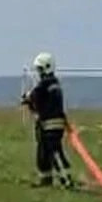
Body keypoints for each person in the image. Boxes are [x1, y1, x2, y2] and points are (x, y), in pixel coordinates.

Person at [21, 52, 74, 188]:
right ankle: (46, 179)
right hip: (51, 124)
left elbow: (35, 96)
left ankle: (66, 179)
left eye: (39, 69)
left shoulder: (46, 84)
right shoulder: (54, 84)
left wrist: (27, 98)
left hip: (50, 125)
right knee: (43, 152)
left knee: (53, 152)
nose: (38, 72)